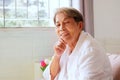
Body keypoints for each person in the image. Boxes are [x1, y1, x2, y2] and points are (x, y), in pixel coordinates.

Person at [43, 7, 113, 80]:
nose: (61, 28)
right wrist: (57, 56)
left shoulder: (90, 50)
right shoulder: (65, 46)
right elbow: (50, 76)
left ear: (79, 25)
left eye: (66, 22)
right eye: (58, 25)